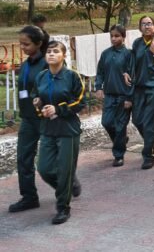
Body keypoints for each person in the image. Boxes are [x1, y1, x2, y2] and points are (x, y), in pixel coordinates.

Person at [32, 40, 84, 224]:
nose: (51, 54)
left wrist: (58, 109)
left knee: (64, 171)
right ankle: (69, 185)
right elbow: (36, 95)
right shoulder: (41, 76)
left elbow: (81, 101)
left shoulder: (72, 76)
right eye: (49, 52)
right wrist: (39, 105)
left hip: (68, 130)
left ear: (64, 55)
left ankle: (63, 208)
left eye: (56, 51)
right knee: (44, 168)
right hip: (48, 128)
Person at [8, 26, 49, 213]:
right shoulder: (25, 65)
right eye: (21, 44)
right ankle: (29, 197)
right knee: (24, 157)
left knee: (52, 159)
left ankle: (68, 182)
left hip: (45, 118)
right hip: (28, 119)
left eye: (26, 44)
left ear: (38, 44)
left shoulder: (47, 63)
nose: (23, 48)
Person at [131, 16, 154, 170]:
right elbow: (133, 63)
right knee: (137, 120)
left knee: (149, 123)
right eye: (144, 24)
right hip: (139, 86)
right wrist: (127, 74)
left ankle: (148, 155)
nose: (147, 26)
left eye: (150, 23)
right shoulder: (137, 43)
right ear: (139, 28)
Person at [95, 25, 135, 167]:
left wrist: (129, 98)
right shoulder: (105, 54)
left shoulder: (129, 54)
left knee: (120, 127)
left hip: (124, 96)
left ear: (123, 37)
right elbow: (100, 72)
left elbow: (132, 76)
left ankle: (119, 155)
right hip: (110, 95)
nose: (113, 38)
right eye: (111, 36)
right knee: (106, 122)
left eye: (117, 36)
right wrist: (98, 87)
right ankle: (121, 140)